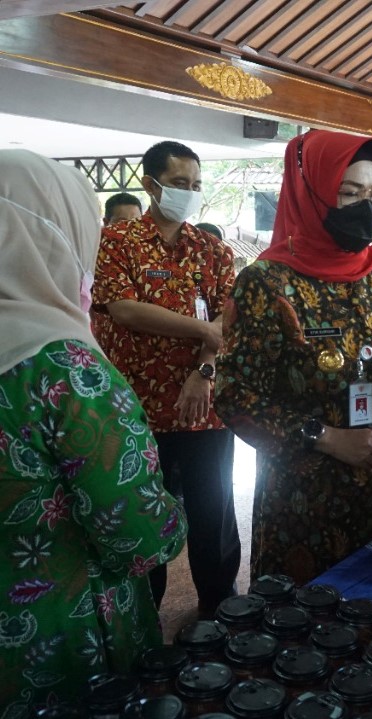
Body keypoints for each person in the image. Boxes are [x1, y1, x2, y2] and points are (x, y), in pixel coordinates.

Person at [0, 150, 186, 709]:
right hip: (57, 629)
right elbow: (136, 535)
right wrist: (175, 517)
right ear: (55, 239)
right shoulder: (65, 371)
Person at [214, 130, 372, 585]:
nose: (366, 207)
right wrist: (325, 436)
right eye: (348, 193)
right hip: (305, 499)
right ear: (310, 194)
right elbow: (234, 398)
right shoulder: (266, 283)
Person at [91, 140, 240, 617]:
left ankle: (219, 613)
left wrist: (204, 369)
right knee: (144, 515)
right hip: (137, 410)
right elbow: (124, 309)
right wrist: (202, 330)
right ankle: (143, 622)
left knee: (213, 516)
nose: (190, 192)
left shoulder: (211, 249)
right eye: (179, 184)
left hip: (203, 409)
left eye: (196, 184)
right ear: (150, 184)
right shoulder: (116, 242)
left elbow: (228, 318)